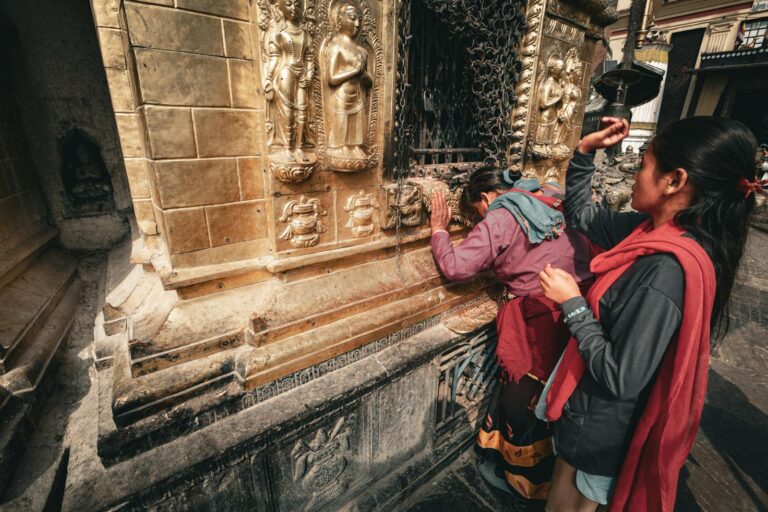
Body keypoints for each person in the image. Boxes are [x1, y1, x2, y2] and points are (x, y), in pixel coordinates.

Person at [537, 116, 760, 511]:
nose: (635, 176)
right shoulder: (651, 230)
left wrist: (571, 304)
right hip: (591, 415)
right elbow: (585, 218)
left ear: (674, 181)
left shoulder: (665, 271)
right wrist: (585, 153)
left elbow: (621, 377)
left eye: (642, 166)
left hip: (600, 430)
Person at [430, 169, 592, 509]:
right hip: (581, 303)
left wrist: (439, 231)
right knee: (554, 389)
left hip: (541, 319)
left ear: (487, 197)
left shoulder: (503, 214)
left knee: (524, 395)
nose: (482, 219)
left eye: (478, 213)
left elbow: (456, 268)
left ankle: (527, 481)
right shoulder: (551, 193)